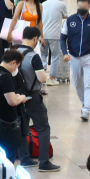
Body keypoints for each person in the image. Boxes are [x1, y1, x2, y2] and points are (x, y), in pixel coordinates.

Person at [16, 27, 60, 171]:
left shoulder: (13, 52)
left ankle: (25, 159)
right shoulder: (33, 56)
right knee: (43, 128)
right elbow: (42, 77)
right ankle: (44, 162)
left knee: (22, 127)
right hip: (32, 97)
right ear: (35, 39)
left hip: (17, 97)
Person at [61, 0, 90, 121]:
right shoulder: (69, 20)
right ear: (77, 6)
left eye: (84, 6)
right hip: (74, 56)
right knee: (77, 82)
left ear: (89, 7)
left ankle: (86, 110)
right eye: (79, 6)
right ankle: (84, 102)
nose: (81, 8)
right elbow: (62, 38)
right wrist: (65, 53)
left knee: (89, 84)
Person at [0, 49, 28, 162]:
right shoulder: (6, 77)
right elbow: (12, 101)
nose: (17, 69)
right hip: (6, 126)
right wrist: (21, 98)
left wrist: (14, 96)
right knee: (8, 160)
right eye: (17, 65)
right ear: (13, 63)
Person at [41, 0, 69, 85]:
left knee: (43, 55)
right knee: (55, 56)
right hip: (55, 35)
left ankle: (42, 77)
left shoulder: (43, 4)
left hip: (43, 34)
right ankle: (51, 78)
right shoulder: (61, 4)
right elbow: (65, 16)